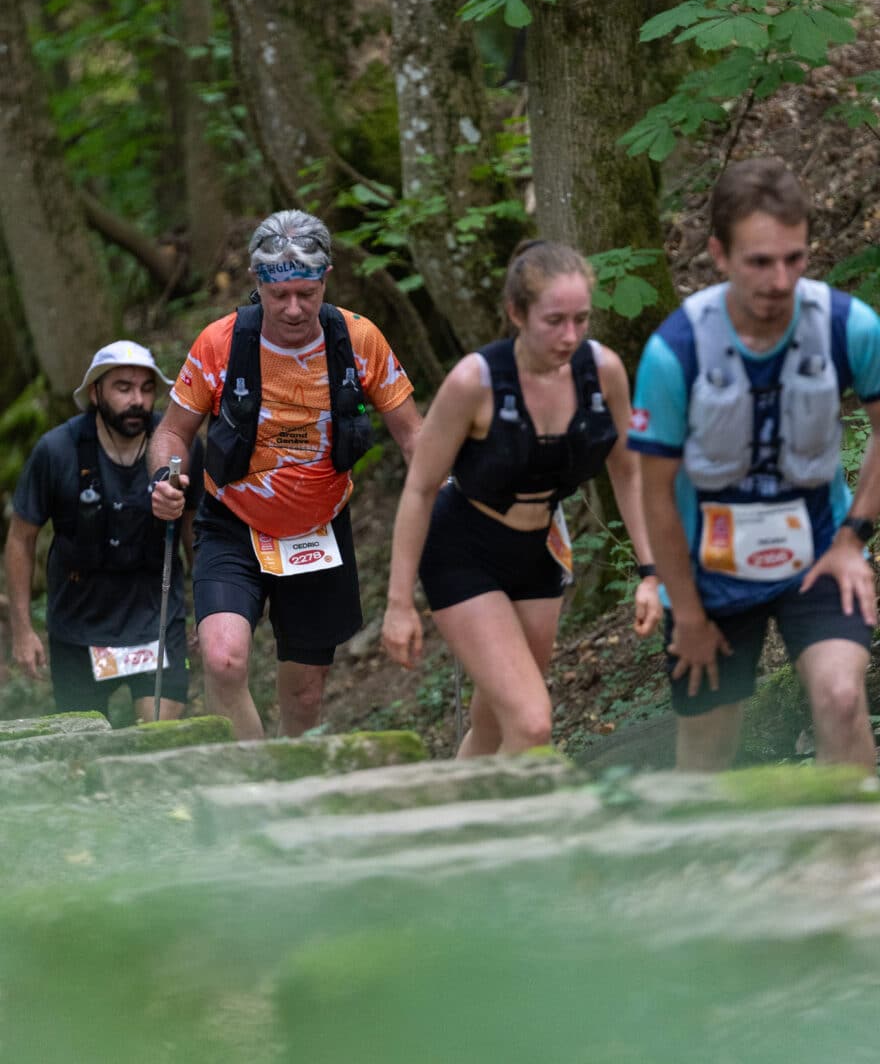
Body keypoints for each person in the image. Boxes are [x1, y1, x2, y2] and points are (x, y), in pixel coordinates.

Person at [628, 157, 880, 772]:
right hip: (707, 575)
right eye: (760, 262)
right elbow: (653, 494)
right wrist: (684, 610)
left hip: (820, 551)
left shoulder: (849, 327)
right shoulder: (674, 353)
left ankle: (858, 864)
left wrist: (854, 539)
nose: (780, 279)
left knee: (842, 698)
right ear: (719, 254)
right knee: (708, 752)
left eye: (794, 259)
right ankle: (709, 865)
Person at [148, 209, 421, 740]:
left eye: (306, 293)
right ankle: (251, 788)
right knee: (223, 661)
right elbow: (172, 431)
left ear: (325, 282)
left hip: (319, 528)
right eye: (280, 296)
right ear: (257, 283)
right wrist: (165, 476)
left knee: (305, 693)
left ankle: (294, 789)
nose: (294, 309)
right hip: (232, 523)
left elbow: (415, 436)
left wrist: (442, 489)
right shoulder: (220, 343)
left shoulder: (359, 340)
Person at [382, 239, 662, 755]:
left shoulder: (604, 372)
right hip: (463, 548)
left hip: (539, 551)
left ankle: (453, 822)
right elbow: (420, 489)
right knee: (532, 722)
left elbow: (628, 469)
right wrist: (400, 605)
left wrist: (651, 572)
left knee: (495, 722)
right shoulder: (475, 382)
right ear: (517, 313)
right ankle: (510, 831)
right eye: (554, 320)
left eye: (581, 319)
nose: (570, 335)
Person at [5, 341, 203, 721]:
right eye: (123, 388)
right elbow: (21, 537)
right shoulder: (56, 450)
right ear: (95, 393)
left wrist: (209, 609)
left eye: (147, 389)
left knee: (156, 740)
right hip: (79, 623)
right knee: (81, 746)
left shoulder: (177, 445)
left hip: (155, 616)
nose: (138, 401)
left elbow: (196, 528)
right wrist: (22, 629)